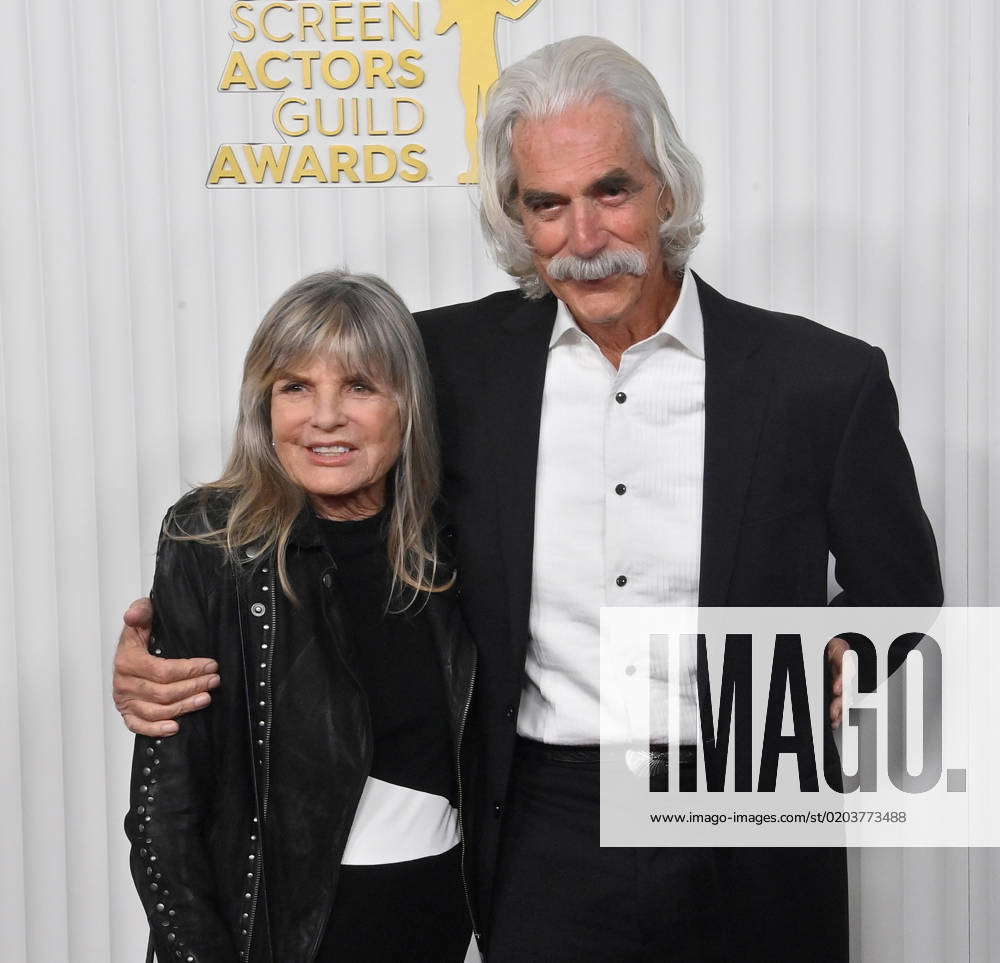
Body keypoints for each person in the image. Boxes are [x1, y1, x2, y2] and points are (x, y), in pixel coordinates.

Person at [116, 37, 943, 962]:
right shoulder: (444, 363)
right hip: (541, 820)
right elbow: (314, 477)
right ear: (516, 218)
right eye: (547, 205)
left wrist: (848, 647)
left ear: (668, 187)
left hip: (748, 801)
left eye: (612, 191)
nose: (584, 239)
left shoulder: (820, 380)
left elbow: (905, 590)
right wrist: (174, 650)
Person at [123, 271, 475, 962]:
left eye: (360, 386)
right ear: (264, 405)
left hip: (435, 923)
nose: (325, 417)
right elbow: (164, 817)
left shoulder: (451, 541)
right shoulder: (212, 541)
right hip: (279, 938)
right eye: (296, 387)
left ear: (407, 404)